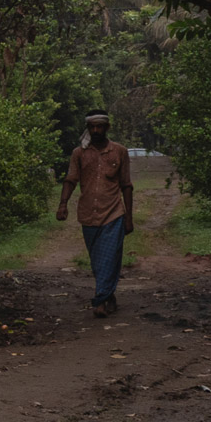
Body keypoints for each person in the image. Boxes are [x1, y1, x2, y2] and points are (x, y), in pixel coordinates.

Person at [56, 112, 135, 316]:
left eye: (100, 127)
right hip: (88, 214)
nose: (96, 131)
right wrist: (62, 204)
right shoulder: (79, 154)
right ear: (88, 128)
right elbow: (71, 179)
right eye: (92, 127)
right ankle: (108, 294)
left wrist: (128, 217)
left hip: (113, 213)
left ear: (107, 128)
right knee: (98, 261)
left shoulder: (120, 152)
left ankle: (99, 301)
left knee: (109, 257)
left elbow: (126, 185)